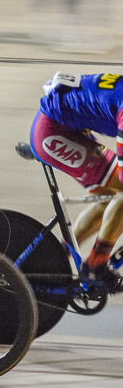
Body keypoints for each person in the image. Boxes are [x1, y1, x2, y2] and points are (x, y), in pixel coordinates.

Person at [30, 70, 123, 289]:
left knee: (108, 197)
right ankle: (95, 267)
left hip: (66, 125)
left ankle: (57, 258)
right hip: (53, 132)